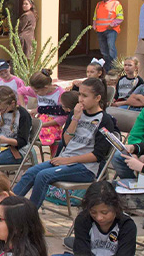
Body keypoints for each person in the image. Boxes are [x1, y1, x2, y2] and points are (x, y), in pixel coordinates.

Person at [13, 78, 117, 208]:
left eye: (85, 96)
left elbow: (97, 155)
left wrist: (67, 160)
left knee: (43, 176)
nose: (80, 99)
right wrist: (75, 119)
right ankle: (7, 207)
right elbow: (66, 141)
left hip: (85, 168)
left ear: (97, 98)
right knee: (31, 172)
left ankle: (30, 216)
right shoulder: (76, 113)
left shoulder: (105, 120)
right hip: (66, 159)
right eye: (79, 94)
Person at [19, 69, 67, 154]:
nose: (35, 93)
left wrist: (43, 125)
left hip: (53, 124)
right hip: (41, 121)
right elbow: (21, 91)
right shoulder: (38, 91)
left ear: (46, 88)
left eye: (36, 91)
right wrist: (24, 109)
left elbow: (64, 116)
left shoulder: (60, 94)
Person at [0, 85, 33, 167]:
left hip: (18, 150)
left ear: (12, 104)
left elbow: (23, 141)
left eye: (2, 109)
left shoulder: (23, 115)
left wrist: (6, 140)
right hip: (1, 146)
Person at [92, 0, 124, 70]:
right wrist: (94, 26)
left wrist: (112, 25)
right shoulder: (99, 4)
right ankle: (107, 69)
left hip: (111, 30)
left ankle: (114, 68)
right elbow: (95, 16)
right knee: (103, 51)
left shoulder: (116, 3)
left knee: (111, 49)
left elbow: (120, 17)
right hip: (100, 30)